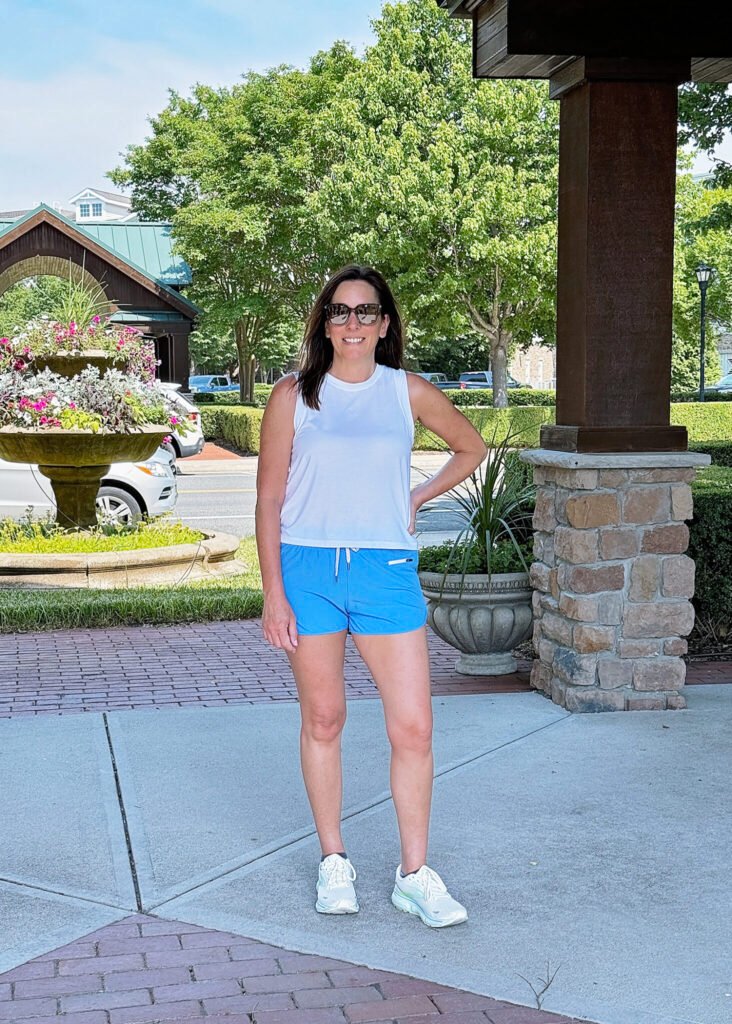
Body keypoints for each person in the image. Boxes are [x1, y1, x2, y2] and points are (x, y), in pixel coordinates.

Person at [255, 264, 487, 928]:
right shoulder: (292, 395)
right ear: (325, 323)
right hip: (308, 569)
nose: (351, 322)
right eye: (340, 311)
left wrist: (416, 496)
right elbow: (268, 500)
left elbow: (469, 447)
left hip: (385, 570)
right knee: (324, 719)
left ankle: (414, 874)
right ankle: (334, 860)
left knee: (413, 727)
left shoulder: (406, 391)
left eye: (365, 311)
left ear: (385, 324)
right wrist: (274, 593)